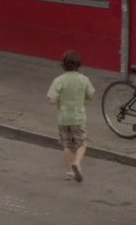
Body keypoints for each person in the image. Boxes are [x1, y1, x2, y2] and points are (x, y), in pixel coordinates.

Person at [47, 50, 96, 182]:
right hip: (78, 118)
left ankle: (69, 171)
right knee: (82, 143)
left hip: (63, 118)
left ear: (63, 65)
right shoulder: (84, 80)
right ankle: (77, 162)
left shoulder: (59, 80)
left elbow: (51, 100)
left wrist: (58, 100)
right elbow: (91, 94)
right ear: (79, 64)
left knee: (67, 145)